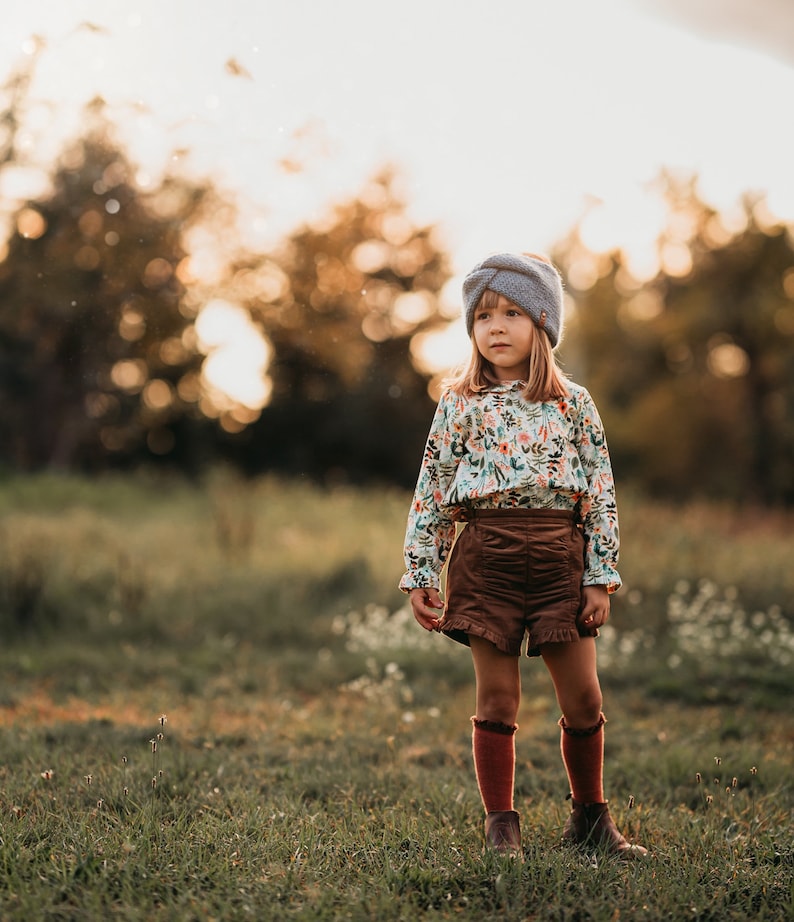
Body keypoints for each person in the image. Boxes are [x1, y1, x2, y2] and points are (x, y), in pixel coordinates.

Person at [399, 252, 647, 859]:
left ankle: (591, 820)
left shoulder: (574, 404)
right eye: (483, 316)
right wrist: (421, 572)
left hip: (560, 554)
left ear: (543, 324)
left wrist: (599, 575)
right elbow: (432, 488)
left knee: (584, 697)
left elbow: (599, 493)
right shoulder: (459, 402)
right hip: (486, 557)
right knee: (497, 698)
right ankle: (501, 828)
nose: (496, 327)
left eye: (512, 312)